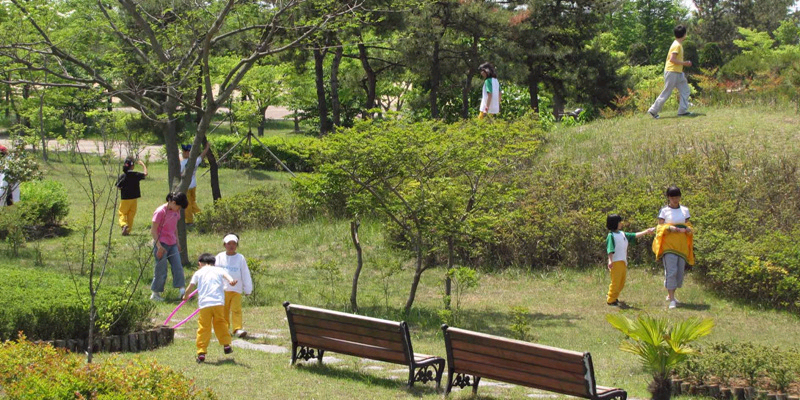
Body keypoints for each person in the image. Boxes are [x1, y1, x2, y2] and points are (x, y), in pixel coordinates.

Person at [183, 253, 237, 363]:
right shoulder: (219, 270)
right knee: (221, 323)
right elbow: (229, 278)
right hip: (218, 303)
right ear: (214, 263)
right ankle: (226, 345)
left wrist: (186, 296)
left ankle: (201, 352)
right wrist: (231, 281)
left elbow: (191, 286)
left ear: (200, 263)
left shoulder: (199, 272)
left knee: (204, 327)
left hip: (205, 304)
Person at [652, 185, 695, 309]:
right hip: (668, 245)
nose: (675, 200)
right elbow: (659, 228)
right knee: (671, 271)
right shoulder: (664, 211)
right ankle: (672, 300)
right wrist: (669, 228)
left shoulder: (685, 210)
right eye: (672, 197)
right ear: (668, 198)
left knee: (679, 273)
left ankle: (671, 294)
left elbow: (689, 225)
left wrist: (688, 229)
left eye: (677, 197)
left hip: (681, 246)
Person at [605, 214, 655, 306]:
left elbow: (634, 235)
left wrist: (646, 231)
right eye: (619, 222)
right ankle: (610, 299)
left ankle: (614, 296)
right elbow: (610, 249)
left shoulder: (622, 234)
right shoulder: (611, 236)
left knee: (621, 282)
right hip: (616, 262)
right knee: (616, 282)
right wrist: (610, 260)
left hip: (623, 261)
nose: (621, 223)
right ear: (614, 223)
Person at [150, 192, 189, 301]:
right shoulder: (160, 212)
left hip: (172, 243)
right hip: (161, 243)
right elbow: (153, 230)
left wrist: (177, 242)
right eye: (178, 206)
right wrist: (158, 246)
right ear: (172, 202)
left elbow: (174, 227)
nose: (178, 209)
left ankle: (182, 291)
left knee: (178, 267)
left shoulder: (176, 212)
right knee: (161, 269)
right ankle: (155, 294)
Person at [647, 25, 692, 119]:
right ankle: (653, 110)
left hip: (678, 72)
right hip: (672, 71)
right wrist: (685, 63)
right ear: (684, 34)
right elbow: (672, 59)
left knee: (685, 90)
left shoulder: (678, 44)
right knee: (667, 92)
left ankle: (682, 111)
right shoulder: (676, 45)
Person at [215, 233, 253, 338]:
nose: (231, 246)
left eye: (234, 244)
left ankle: (237, 329)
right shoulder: (219, 257)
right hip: (223, 290)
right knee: (224, 310)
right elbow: (215, 272)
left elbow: (245, 273)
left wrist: (248, 289)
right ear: (224, 245)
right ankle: (224, 328)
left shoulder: (240, 258)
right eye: (229, 244)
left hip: (236, 289)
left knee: (236, 309)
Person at [115, 157, 148, 236]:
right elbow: (145, 173)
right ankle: (128, 230)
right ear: (132, 166)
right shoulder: (136, 174)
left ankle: (123, 224)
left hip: (125, 199)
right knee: (131, 214)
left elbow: (118, 186)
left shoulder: (123, 176)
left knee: (122, 213)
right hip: (134, 199)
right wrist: (143, 165)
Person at [180, 142, 209, 225]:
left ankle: (189, 221)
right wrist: (206, 148)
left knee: (187, 204)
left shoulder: (183, 163)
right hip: (193, 185)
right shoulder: (195, 161)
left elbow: (179, 174)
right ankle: (201, 216)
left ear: (188, 152)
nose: (183, 153)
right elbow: (201, 156)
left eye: (185, 151)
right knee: (192, 202)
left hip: (186, 186)